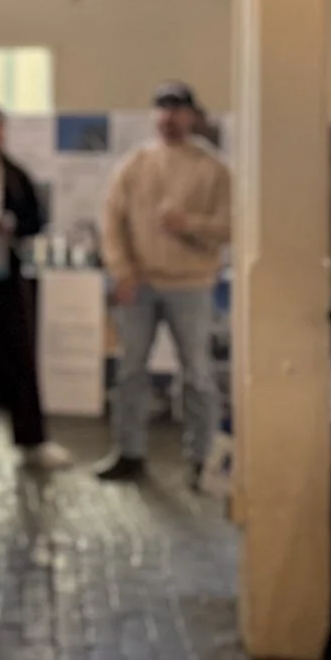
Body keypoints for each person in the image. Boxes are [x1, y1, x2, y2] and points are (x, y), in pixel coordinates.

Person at [96, 83, 232, 485]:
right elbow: (112, 223)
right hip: (139, 282)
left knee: (196, 372)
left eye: (177, 110)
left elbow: (229, 226)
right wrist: (122, 270)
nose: (169, 118)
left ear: (193, 116)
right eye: (162, 110)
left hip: (191, 284)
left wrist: (188, 225)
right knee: (131, 370)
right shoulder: (134, 165)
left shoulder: (214, 169)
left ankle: (200, 456)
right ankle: (129, 451)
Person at [0, 107, 64, 473]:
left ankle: (30, 439)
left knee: (19, 356)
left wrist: (12, 224)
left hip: (8, 277)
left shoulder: (15, 175)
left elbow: (36, 218)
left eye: (0, 129)